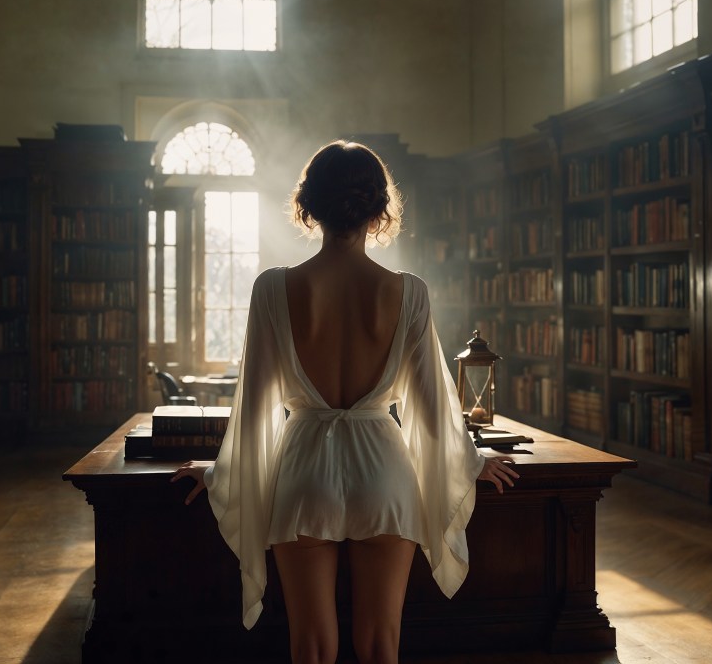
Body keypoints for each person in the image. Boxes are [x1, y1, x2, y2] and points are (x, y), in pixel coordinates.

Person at [171, 140, 519, 664]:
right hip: (385, 474)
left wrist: (221, 472)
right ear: (378, 211)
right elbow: (432, 409)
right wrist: (471, 460)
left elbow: (254, 409)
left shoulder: (272, 289)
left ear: (308, 206)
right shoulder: (409, 292)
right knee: (380, 645)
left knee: (311, 648)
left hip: (304, 474)